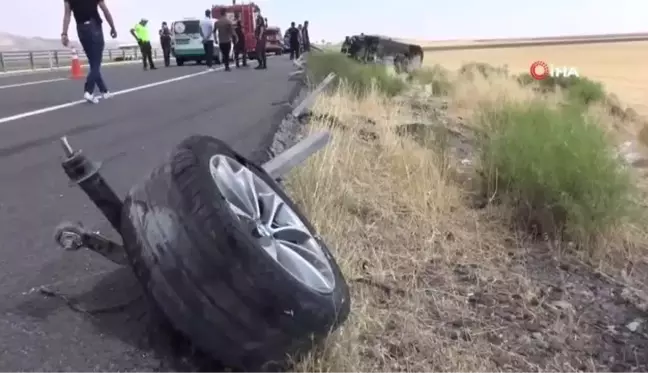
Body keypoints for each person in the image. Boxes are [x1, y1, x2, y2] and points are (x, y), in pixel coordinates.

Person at [61, 0, 117, 104]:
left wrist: (64, 33)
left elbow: (67, 15)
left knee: (93, 61)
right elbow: (105, 10)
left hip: (81, 29)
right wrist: (112, 27)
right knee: (96, 61)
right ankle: (89, 91)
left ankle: (104, 91)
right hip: (94, 26)